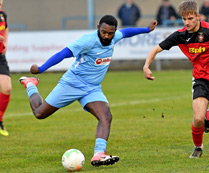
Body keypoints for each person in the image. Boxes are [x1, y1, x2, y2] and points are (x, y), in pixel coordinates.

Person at [19, 15, 157, 166]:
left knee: (106, 116)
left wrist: (146, 30)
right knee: (39, 113)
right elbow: (62, 54)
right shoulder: (87, 41)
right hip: (72, 83)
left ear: (114, 31)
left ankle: (99, 154)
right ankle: (31, 84)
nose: (106, 36)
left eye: (110, 33)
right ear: (98, 27)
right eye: (103, 32)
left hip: (92, 89)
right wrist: (41, 69)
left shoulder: (114, 36)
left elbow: (126, 32)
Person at [143, 0, 209, 158]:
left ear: (198, 17)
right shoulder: (180, 35)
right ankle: (198, 147)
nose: (187, 22)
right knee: (198, 117)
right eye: (184, 19)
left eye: (190, 18)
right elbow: (156, 49)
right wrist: (146, 66)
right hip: (201, 78)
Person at [0, 0, 10, 137]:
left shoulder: (2, 15)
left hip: (0, 57)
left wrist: (5, 41)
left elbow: (5, 28)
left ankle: (0, 119)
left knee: (7, 88)